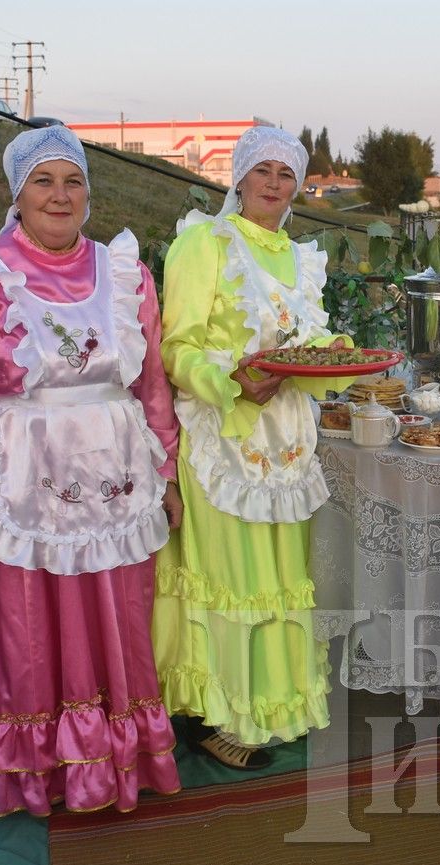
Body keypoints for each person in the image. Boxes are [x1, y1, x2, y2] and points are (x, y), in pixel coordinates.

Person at [0, 126, 184, 816]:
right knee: (25, 626)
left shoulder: (124, 272)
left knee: (114, 617)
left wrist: (168, 469)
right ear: (17, 193)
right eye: (44, 181)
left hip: (117, 479)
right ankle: (33, 774)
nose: (60, 196)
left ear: (89, 193)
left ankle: (109, 763)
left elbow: (151, 381)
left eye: (74, 181)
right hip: (21, 486)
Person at [152, 126, 354, 770]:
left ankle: (273, 707)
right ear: (236, 177)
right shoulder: (201, 244)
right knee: (230, 580)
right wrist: (229, 380)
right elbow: (175, 347)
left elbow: (303, 348)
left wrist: (339, 360)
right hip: (223, 443)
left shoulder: (301, 256)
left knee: (280, 580)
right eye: (261, 170)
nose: (273, 183)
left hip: (288, 445)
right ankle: (216, 717)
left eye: (286, 173)